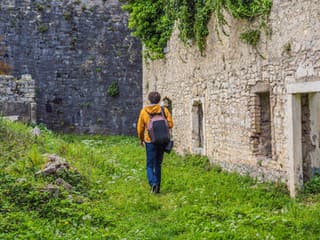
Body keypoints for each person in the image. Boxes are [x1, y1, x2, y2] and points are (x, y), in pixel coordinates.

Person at [137, 91, 173, 194]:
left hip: (150, 141)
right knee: (158, 164)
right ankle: (157, 186)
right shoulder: (164, 110)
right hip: (161, 140)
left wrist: (141, 139)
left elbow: (140, 128)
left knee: (149, 165)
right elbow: (170, 124)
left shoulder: (144, 111)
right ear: (158, 100)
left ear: (149, 99)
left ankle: (153, 183)